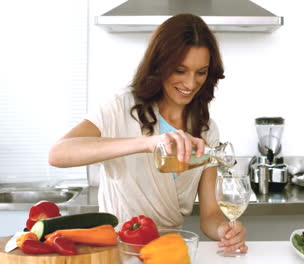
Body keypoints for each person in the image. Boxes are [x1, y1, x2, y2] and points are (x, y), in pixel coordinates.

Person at [48, 13, 248, 253]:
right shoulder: (121, 107)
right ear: (160, 65)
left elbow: (210, 215)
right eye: (180, 70)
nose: (191, 83)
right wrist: (147, 143)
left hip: (168, 252)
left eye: (201, 72)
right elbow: (58, 154)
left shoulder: (205, 129)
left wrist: (224, 231)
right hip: (119, 251)